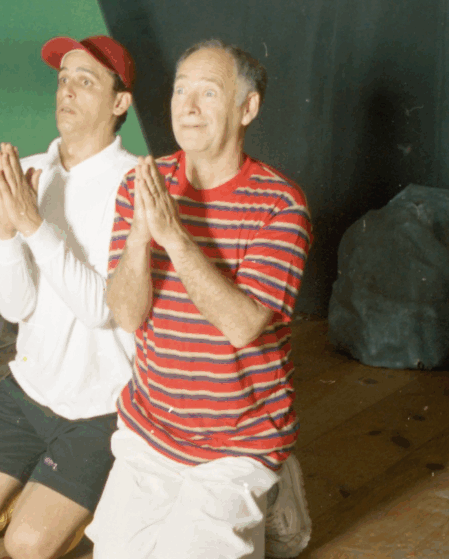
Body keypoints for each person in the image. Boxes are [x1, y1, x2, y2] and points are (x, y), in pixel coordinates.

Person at [88, 40, 312, 558]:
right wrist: (142, 236)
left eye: (208, 93)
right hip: (152, 431)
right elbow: (125, 313)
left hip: (239, 444)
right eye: (180, 90)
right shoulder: (142, 184)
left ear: (246, 109)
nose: (187, 107)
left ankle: (270, 490)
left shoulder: (281, 205)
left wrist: (174, 236)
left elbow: (242, 325)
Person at [0, 35, 140, 559]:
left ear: (120, 104)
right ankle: (38, 493)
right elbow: (14, 306)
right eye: (63, 79)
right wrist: (5, 230)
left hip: (101, 410)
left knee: (26, 546)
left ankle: (99, 501)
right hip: (28, 394)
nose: (66, 90)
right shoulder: (31, 170)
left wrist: (33, 224)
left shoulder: (136, 183)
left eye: (85, 80)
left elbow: (101, 309)